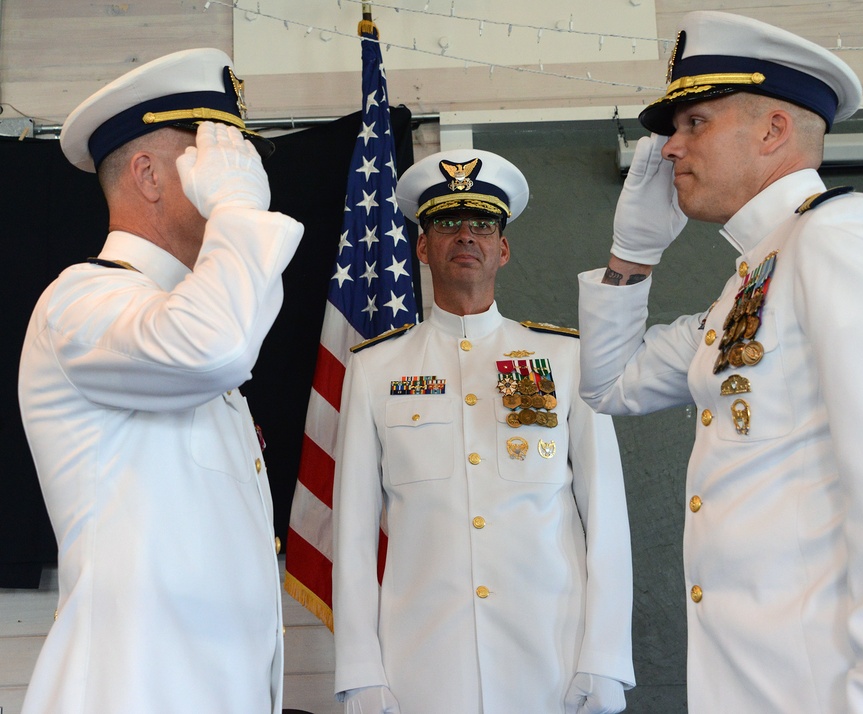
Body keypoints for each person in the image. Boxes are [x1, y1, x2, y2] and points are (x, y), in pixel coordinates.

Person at [577, 10, 863, 714]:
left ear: (774, 130)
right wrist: (634, 255)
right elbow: (609, 385)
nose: (670, 150)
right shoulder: (752, 280)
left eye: (694, 124)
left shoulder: (847, 235)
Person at [18, 48, 304, 713]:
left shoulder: (182, 313)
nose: (238, 171)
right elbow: (218, 346)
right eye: (210, 152)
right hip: (132, 692)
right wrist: (236, 209)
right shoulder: (82, 304)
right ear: (147, 174)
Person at [332, 149, 635, 713]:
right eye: (446, 222)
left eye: (482, 225)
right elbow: (350, 531)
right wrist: (360, 672)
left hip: (553, 656)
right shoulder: (376, 368)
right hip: (420, 666)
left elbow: (607, 518)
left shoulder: (565, 358)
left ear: (503, 247)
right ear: (422, 247)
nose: (465, 235)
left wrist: (606, 659)